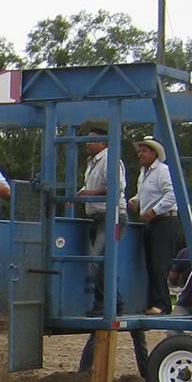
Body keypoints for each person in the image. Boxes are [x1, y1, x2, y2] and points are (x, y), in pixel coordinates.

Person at [127, 136, 180, 315]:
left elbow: (172, 194)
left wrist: (154, 211)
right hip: (151, 222)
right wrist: (134, 201)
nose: (140, 154)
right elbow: (144, 195)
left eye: (144, 150)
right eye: (140, 150)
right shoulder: (144, 173)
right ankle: (154, 302)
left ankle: (162, 304)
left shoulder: (163, 171)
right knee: (150, 263)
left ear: (154, 153)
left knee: (159, 263)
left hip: (164, 221)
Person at [73, 120, 116, 315]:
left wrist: (87, 193)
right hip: (96, 218)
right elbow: (91, 187)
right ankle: (113, 302)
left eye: (92, 140)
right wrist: (79, 194)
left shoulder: (110, 159)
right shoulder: (92, 163)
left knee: (96, 260)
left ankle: (104, 304)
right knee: (99, 262)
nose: (88, 143)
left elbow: (115, 187)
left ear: (104, 143)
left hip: (111, 217)